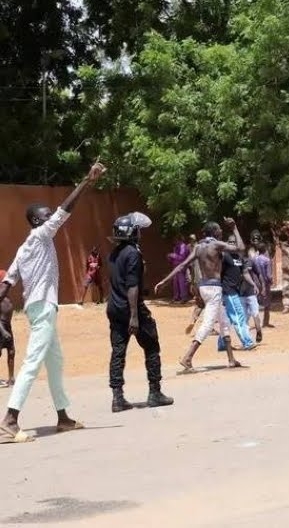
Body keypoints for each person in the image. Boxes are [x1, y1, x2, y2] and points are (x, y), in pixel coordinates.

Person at [0, 162, 104, 443]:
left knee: (54, 362)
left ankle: (63, 418)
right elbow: (64, 212)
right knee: (32, 362)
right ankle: (9, 419)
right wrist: (86, 181)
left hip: (38, 307)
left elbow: (7, 282)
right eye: (46, 216)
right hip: (43, 306)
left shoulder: (24, 249)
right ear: (36, 221)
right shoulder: (39, 235)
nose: (52, 219)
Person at [154, 219, 244, 372]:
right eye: (219, 230)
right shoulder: (217, 245)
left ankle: (231, 359)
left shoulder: (198, 247)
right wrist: (234, 227)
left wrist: (164, 281)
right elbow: (240, 248)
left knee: (223, 322)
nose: (221, 232)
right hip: (215, 288)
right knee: (208, 324)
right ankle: (187, 357)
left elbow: (182, 265)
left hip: (204, 287)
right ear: (214, 232)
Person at [106, 212, 174, 412]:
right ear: (132, 233)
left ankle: (117, 398)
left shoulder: (114, 253)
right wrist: (135, 316)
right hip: (131, 309)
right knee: (152, 346)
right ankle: (155, 392)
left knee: (118, 352)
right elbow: (133, 286)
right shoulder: (133, 254)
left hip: (114, 308)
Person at [219, 233, 257, 351]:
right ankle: (247, 342)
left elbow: (245, 273)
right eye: (229, 242)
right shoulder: (224, 256)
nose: (231, 245)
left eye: (234, 243)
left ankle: (222, 344)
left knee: (228, 319)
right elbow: (218, 273)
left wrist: (253, 284)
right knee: (239, 316)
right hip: (228, 290)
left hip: (235, 291)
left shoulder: (239, 257)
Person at [250, 232, 274, 329]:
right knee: (267, 303)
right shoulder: (266, 259)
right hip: (264, 282)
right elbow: (268, 275)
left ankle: (257, 323)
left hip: (255, 282)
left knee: (255, 303)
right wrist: (270, 280)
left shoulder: (254, 258)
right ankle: (265, 322)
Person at [167, 236, 191, 303]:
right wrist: (170, 258)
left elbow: (181, 257)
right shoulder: (176, 246)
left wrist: (172, 255)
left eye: (176, 240)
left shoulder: (183, 246)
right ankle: (176, 297)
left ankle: (184, 297)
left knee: (181, 282)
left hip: (181, 266)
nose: (174, 241)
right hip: (175, 266)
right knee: (175, 282)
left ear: (179, 240)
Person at [0, 271, 13, 388]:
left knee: (11, 350)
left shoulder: (4, 295)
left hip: (7, 324)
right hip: (1, 325)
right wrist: (3, 331)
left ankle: (11, 378)